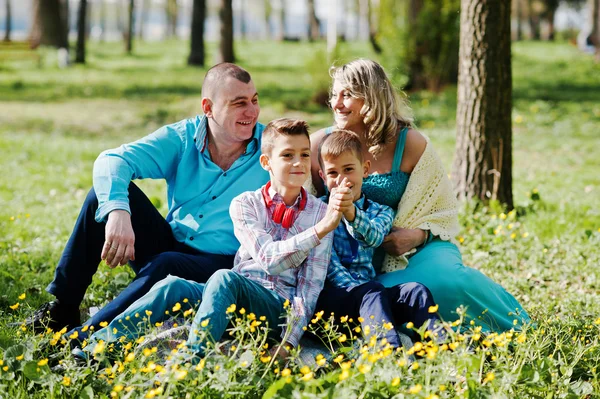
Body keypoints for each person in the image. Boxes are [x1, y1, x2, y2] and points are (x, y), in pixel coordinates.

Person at [23, 63, 270, 336]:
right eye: (239, 103)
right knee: (101, 198)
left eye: (255, 100)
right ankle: (62, 309)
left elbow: (312, 148)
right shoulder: (183, 138)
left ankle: (85, 337)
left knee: (166, 264)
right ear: (208, 108)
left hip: (223, 263)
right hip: (172, 244)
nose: (252, 111)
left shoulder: (272, 146)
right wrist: (118, 212)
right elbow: (113, 159)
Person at [79, 118, 342, 358]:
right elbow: (267, 259)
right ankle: (98, 348)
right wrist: (318, 231)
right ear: (266, 163)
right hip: (236, 292)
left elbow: (310, 287)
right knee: (173, 285)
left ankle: (193, 364)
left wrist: (289, 341)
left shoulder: (321, 213)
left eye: (304, 155)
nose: (298, 163)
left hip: (276, 309)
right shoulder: (246, 204)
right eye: (288, 155)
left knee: (224, 278)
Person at [310, 59, 530, 332]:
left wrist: (417, 235)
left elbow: (442, 208)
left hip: (413, 250)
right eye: (335, 95)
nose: (337, 103)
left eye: (348, 95)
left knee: (447, 282)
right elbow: (302, 204)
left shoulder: (409, 142)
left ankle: (518, 327)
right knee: (380, 299)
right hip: (351, 265)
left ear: (372, 97)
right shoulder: (321, 144)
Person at [315, 129, 441, 346]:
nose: (342, 179)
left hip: (371, 300)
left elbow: (373, 238)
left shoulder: (381, 211)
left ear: (364, 170)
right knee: (371, 291)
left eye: (348, 170)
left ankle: (444, 351)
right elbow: (328, 265)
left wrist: (351, 214)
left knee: (415, 292)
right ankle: (387, 357)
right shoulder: (316, 211)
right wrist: (362, 293)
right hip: (332, 303)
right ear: (323, 176)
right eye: (333, 173)